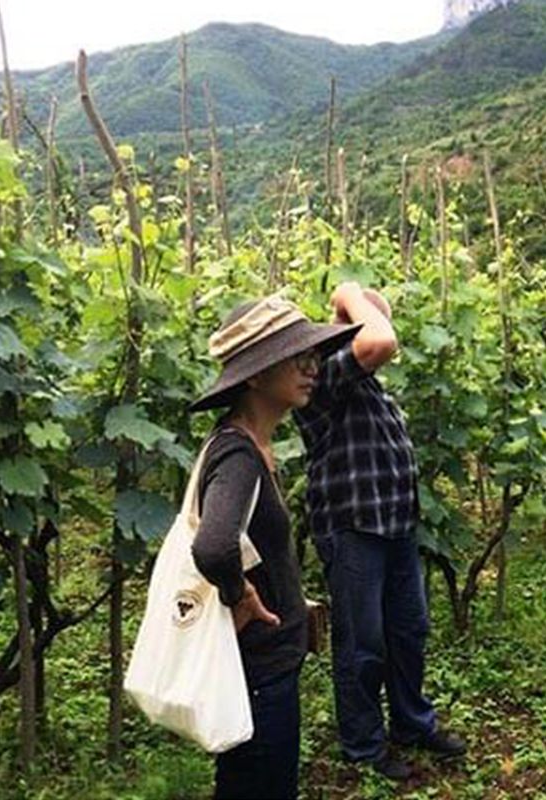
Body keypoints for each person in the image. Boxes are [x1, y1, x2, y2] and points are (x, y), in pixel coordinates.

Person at [294, 281, 467, 781]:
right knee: (362, 644)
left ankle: (412, 724)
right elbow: (381, 341)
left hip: (394, 528)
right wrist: (349, 290)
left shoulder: (366, 386)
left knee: (408, 631)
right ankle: (364, 746)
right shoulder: (326, 378)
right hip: (353, 530)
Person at [189, 295, 359, 800]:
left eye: (312, 355)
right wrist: (242, 594)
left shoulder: (253, 446)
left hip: (265, 666)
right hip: (258, 670)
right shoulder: (239, 454)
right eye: (295, 357)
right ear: (256, 376)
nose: (312, 367)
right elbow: (215, 546)